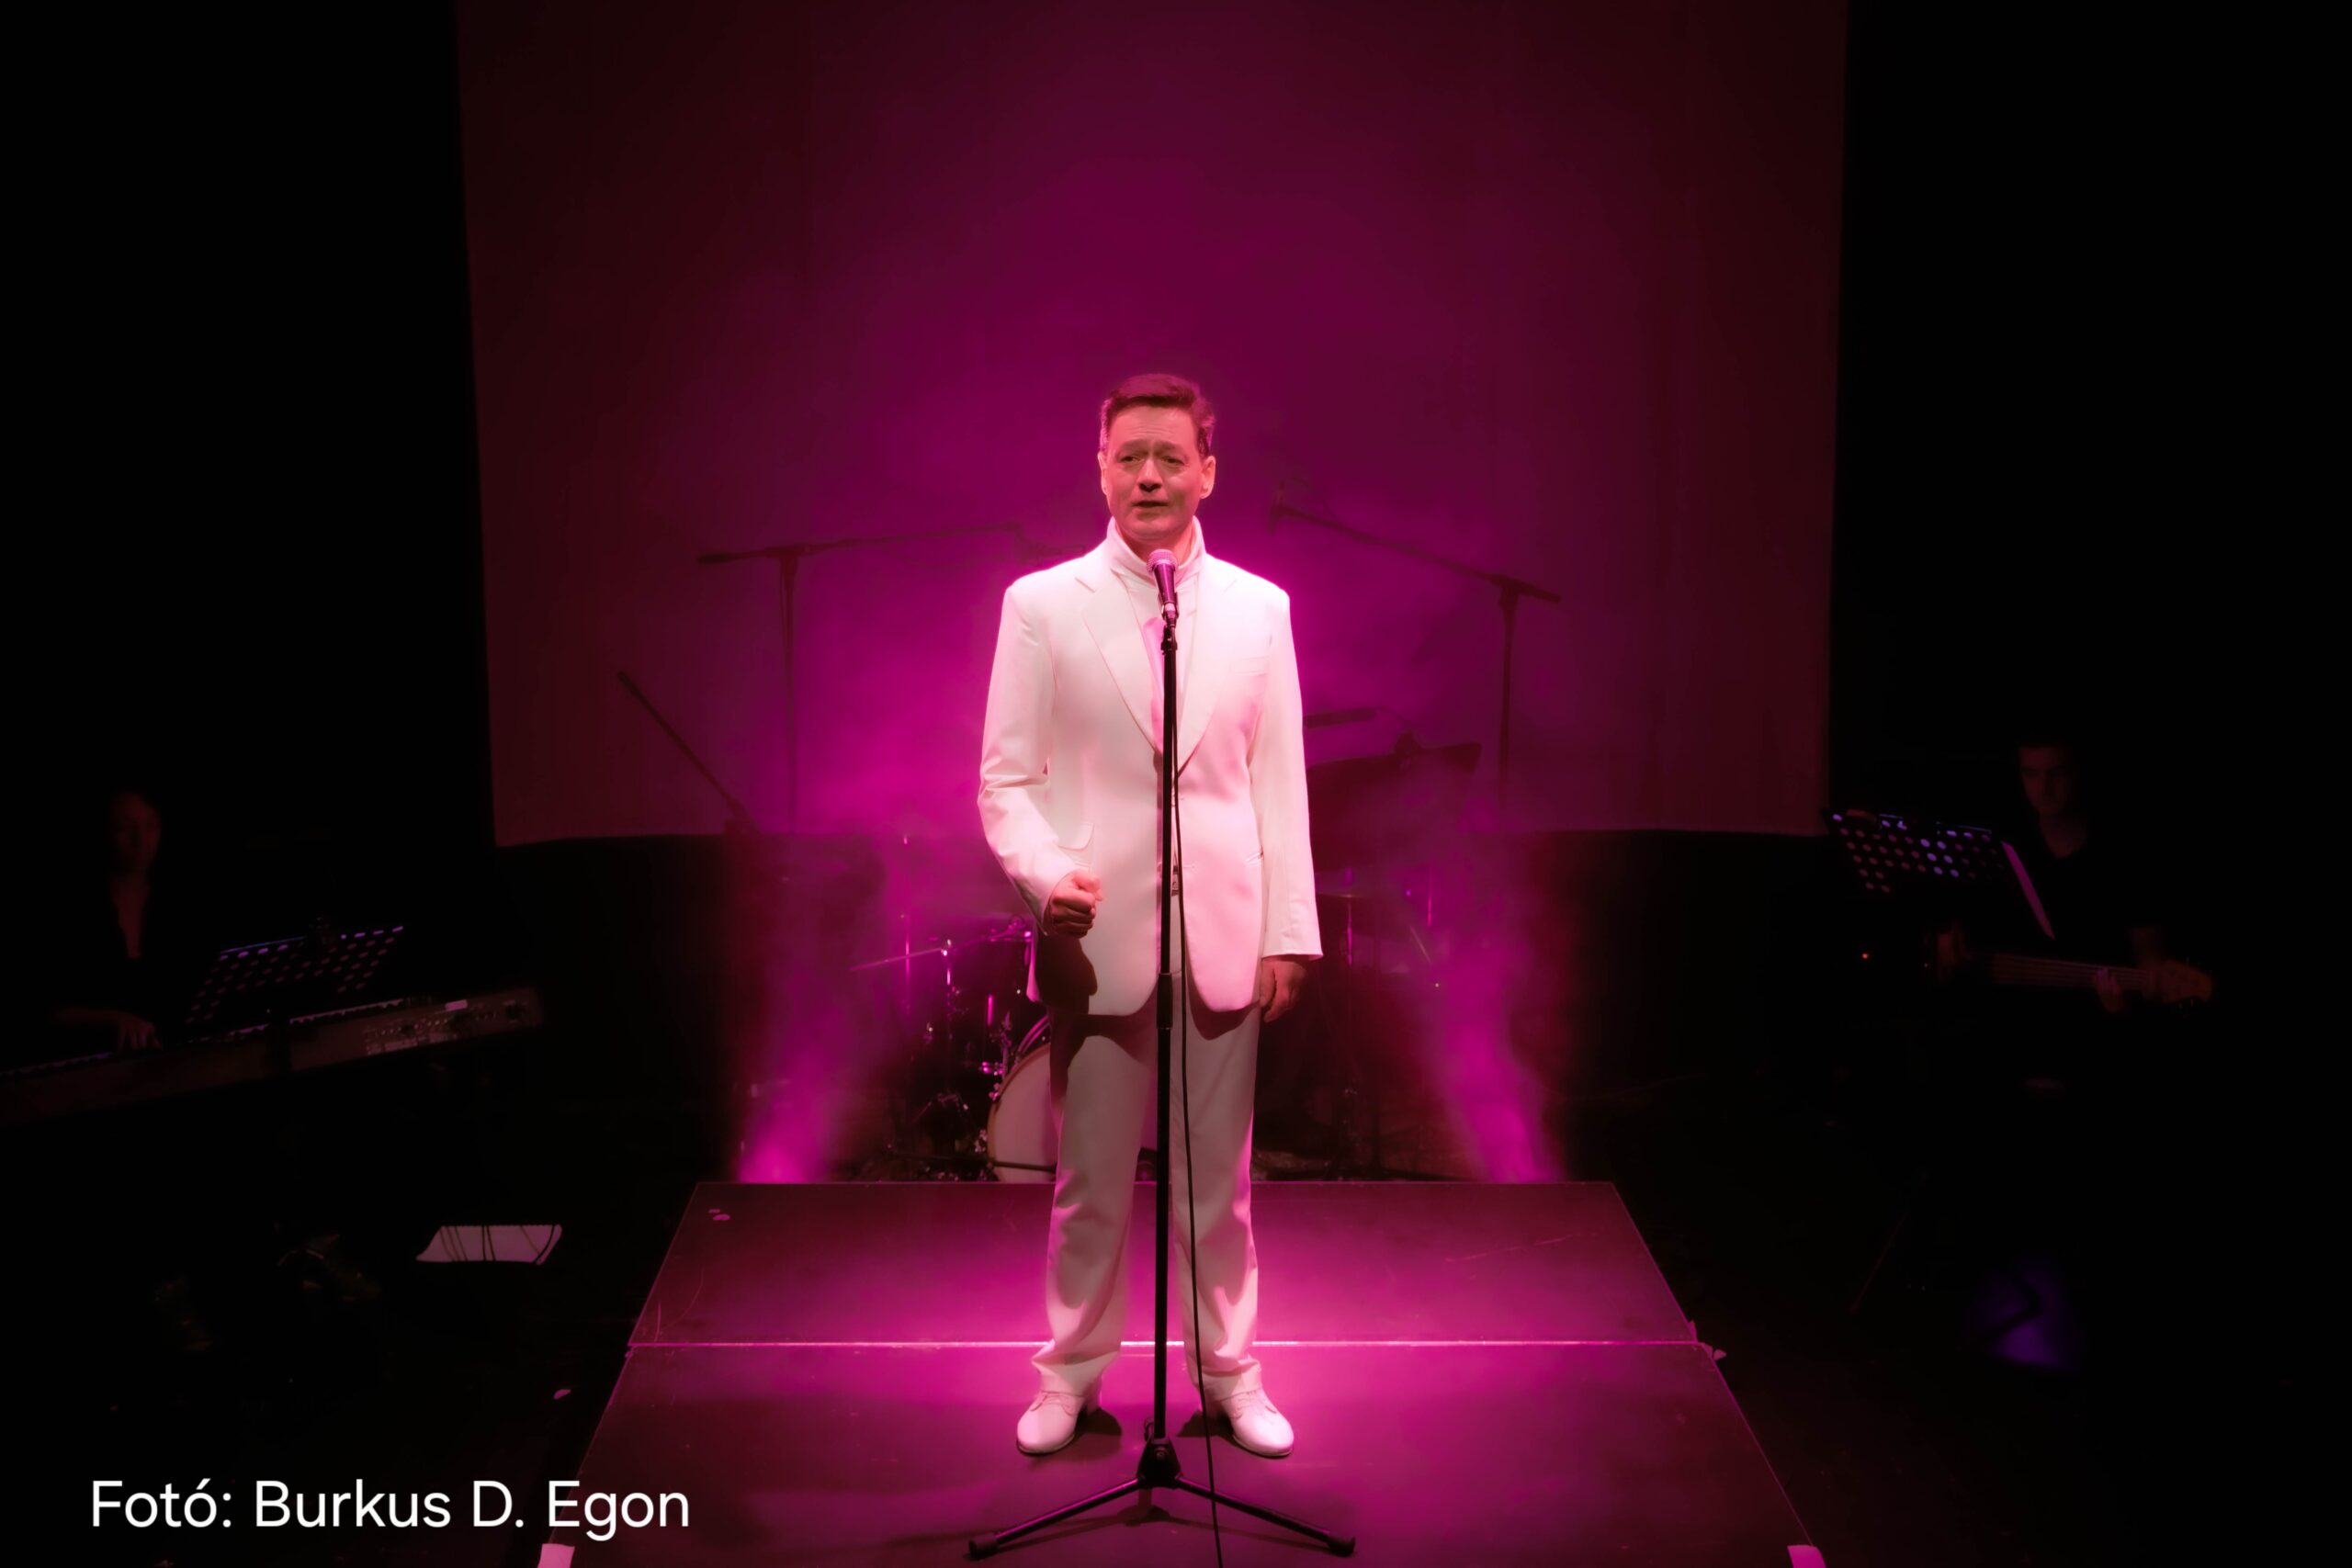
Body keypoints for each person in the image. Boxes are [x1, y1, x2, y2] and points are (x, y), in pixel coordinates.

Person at [978, 373, 1320, 1457]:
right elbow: (1005, 780)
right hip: (1097, 936)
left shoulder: (1259, 609)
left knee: (1218, 1182)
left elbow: (1277, 783)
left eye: (1171, 457)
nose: (1150, 476)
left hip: (1221, 926)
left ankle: (1229, 1371)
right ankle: (1070, 1371)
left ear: (1207, 472)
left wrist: (1287, 931)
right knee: (1089, 1180)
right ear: (1101, 471)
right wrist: (1045, 876)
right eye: (1130, 456)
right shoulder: (1042, 605)